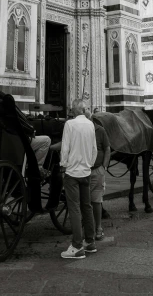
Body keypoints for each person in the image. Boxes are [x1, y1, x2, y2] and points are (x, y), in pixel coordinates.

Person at [59, 98, 97, 260]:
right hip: (86, 172)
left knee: (74, 208)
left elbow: (65, 147)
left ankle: (76, 246)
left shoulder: (70, 124)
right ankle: (90, 242)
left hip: (72, 173)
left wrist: (63, 165)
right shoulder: (91, 125)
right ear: (84, 110)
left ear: (74, 110)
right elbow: (94, 150)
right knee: (86, 207)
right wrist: (89, 164)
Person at [90, 119, 111, 241]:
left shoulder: (100, 130)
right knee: (85, 201)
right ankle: (89, 230)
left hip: (97, 170)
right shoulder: (80, 129)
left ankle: (98, 228)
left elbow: (107, 149)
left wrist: (104, 167)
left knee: (96, 201)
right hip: (83, 170)